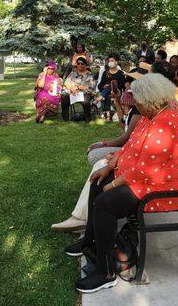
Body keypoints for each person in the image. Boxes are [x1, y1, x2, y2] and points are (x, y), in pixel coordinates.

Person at [64, 73, 178, 293]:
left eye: (137, 100)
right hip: (146, 177)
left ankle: (106, 272)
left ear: (149, 100)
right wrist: (109, 167)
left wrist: (114, 184)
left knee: (106, 202)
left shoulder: (165, 122)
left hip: (162, 185)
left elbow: (147, 170)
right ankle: (90, 240)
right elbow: (131, 146)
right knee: (99, 181)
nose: (134, 104)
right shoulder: (152, 115)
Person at [51, 66, 147, 233]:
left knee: (96, 158)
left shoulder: (142, 108)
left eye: (131, 81)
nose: (127, 84)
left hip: (132, 158)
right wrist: (117, 102)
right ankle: (85, 209)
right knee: (98, 160)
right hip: (128, 153)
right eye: (128, 80)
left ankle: (84, 214)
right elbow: (124, 126)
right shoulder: (136, 104)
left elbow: (127, 139)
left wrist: (106, 146)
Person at [61, 57, 96, 122]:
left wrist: (77, 88)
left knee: (85, 100)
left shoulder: (89, 74)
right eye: (78, 63)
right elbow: (66, 82)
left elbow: (90, 86)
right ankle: (65, 118)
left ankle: (88, 118)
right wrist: (72, 89)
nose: (80, 65)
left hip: (85, 93)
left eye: (82, 63)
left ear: (85, 65)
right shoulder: (73, 73)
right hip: (73, 92)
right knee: (64, 97)